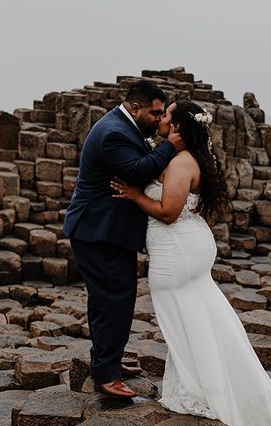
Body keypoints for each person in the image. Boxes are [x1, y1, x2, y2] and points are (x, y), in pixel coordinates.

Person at [109, 100, 271, 426]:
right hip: (193, 246)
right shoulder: (196, 156)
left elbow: (169, 211)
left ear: (178, 127)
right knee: (204, 320)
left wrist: (133, 194)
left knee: (182, 321)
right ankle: (199, 383)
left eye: (167, 116)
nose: (161, 120)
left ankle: (207, 392)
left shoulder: (178, 162)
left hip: (176, 250)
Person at [64, 80, 186, 399]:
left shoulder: (123, 126)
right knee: (111, 302)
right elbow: (137, 171)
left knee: (116, 299)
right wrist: (171, 145)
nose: (160, 120)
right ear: (135, 108)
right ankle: (106, 374)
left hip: (107, 232)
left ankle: (110, 363)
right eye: (155, 113)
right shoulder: (114, 132)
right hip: (98, 231)